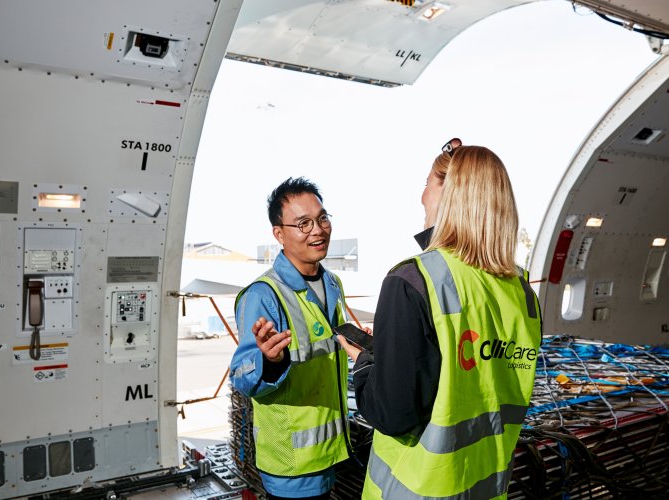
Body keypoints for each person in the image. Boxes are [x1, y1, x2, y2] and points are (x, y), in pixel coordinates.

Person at [338, 139, 542, 499]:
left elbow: (392, 414)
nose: (422, 198)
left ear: (450, 195)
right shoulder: (523, 293)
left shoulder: (414, 281)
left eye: (427, 185)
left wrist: (367, 363)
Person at [230, 177, 351, 500]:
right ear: (279, 234)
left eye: (322, 218)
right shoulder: (264, 295)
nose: (318, 230)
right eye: (303, 223)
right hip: (291, 464)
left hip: (330, 452)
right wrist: (270, 362)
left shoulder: (332, 283)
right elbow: (242, 376)